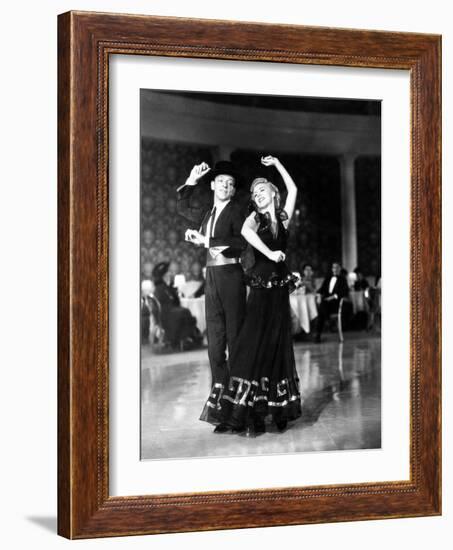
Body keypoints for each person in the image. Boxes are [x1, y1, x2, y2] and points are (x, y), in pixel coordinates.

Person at [200, 155, 302, 435]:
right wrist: (270, 253)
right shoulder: (253, 219)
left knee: (278, 348)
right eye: (254, 192)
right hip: (258, 291)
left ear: (272, 193)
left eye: (262, 190)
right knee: (251, 349)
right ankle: (242, 413)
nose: (257, 195)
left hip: (279, 292)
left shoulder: (282, 217)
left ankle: (278, 409)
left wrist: (279, 164)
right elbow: (245, 233)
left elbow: (293, 190)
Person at [177, 161, 247, 386]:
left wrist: (206, 240)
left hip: (231, 276)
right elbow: (183, 209)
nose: (226, 186)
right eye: (221, 182)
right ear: (213, 186)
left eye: (230, 183)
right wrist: (191, 180)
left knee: (236, 339)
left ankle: (240, 403)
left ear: (234, 190)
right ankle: (222, 398)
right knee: (215, 344)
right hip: (212, 279)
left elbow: (242, 242)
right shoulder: (208, 212)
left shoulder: (237, 212)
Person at [152, 262, 201, 350]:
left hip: (170, 313)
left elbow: (175, 301)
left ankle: (186, 339)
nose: (170, 274)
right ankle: (184, 339)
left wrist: (172, 287)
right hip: (165, 316)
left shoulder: (167, 286)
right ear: (164, 275)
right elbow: (167, 304)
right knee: (184, 312)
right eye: (168, 273)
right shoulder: (160, 288)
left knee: (185, 312)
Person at [314, 261, 349, 342]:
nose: (335, 269)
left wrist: (333, 297)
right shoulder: (328, 278)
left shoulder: (343, 279)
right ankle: (325, 324)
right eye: (333, 267)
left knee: (321, 310)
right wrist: (318, 294)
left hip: (336, 304)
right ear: (332, 269)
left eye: (337, 267)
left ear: (340, 268)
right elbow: (322, 289)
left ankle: (318, 334)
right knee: (322, 307)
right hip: (326, 302)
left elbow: (345, 291)